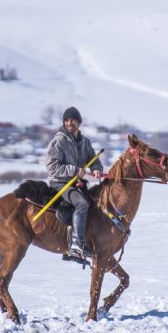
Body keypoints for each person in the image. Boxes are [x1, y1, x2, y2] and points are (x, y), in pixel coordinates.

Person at [45, 106, 103, 258]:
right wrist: (74, 170)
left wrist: (97, 168)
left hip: (77, 183)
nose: (70, 123)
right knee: (81, 203)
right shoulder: (58, 141)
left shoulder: (85, 142)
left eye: (73, 120)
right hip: (60, 183)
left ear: (79, 123)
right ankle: (76, 244)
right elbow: (52, 167)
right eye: (67, 120)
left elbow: (93, 160)